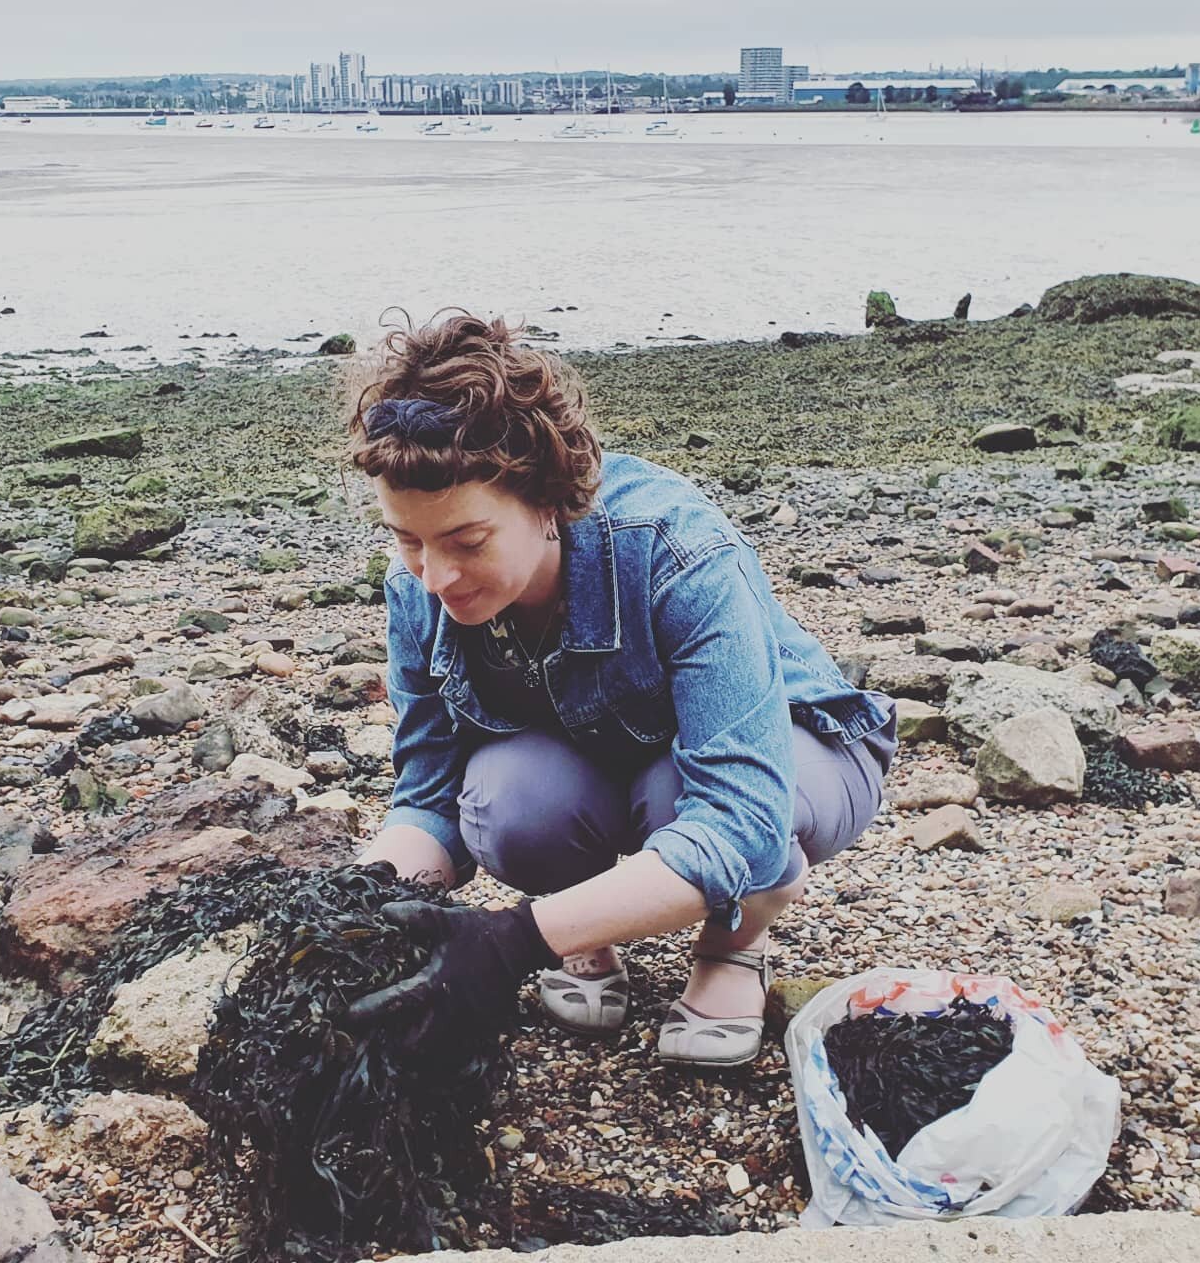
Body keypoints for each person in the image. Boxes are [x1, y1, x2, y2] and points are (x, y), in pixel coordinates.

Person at [348, 312, 896, 1067]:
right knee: (508, 803)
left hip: (798, 754)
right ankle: (590, 925)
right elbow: (429, 796)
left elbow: (741, 821)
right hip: (602, 758)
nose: (436, 578)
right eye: (408, 540)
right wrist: (355, 919)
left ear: (544, 501)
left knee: (686, 799)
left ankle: (733, 944)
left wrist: (511, 942)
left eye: (467, 543)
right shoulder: (417, 594)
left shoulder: (674, 549)